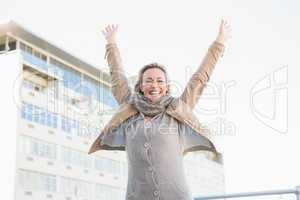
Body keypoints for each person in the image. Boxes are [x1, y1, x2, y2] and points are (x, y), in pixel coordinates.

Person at [88, 20, 232, 200]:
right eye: (148, 80)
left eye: (159, 81)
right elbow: (117, 75)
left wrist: (219, 42)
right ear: (140, 86)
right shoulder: (129, 108)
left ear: (166, 86)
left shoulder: (177, 109)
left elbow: (200, 78)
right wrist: (111, 43)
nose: (154, 85)